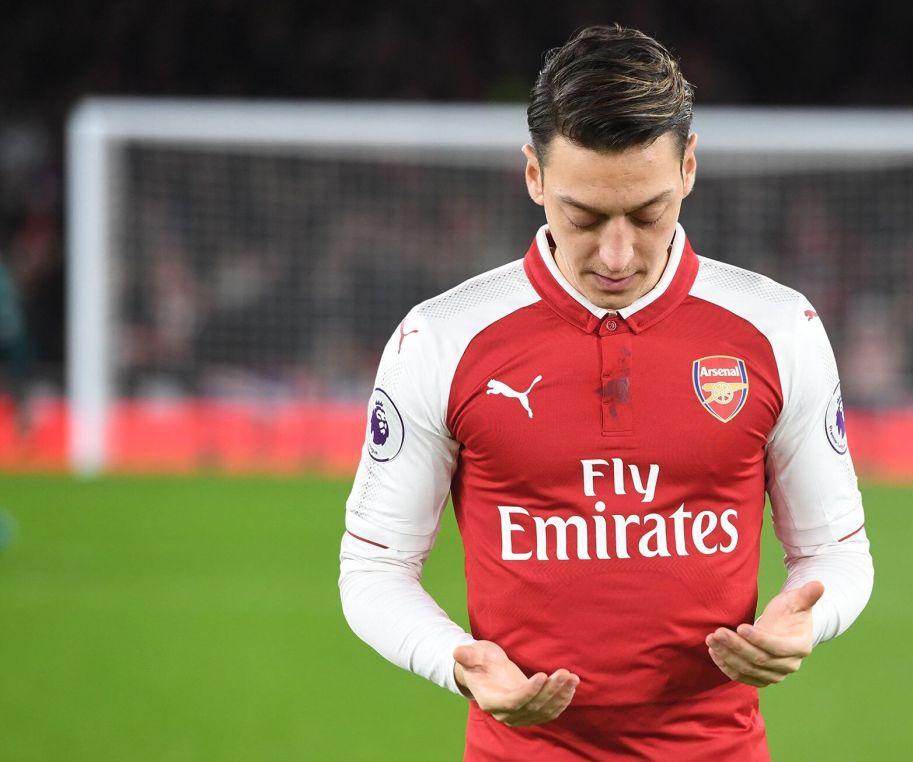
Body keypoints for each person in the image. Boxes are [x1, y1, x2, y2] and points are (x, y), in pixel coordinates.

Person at [339, 24, 874, 760]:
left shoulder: (780, 329)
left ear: (689, 168)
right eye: (583, 217)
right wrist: (455, 660)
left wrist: (809, 617)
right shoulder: (441, 340)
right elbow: (374, 569)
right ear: (534, 176)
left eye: (648, 214)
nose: (617, 255)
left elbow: (837, 553)